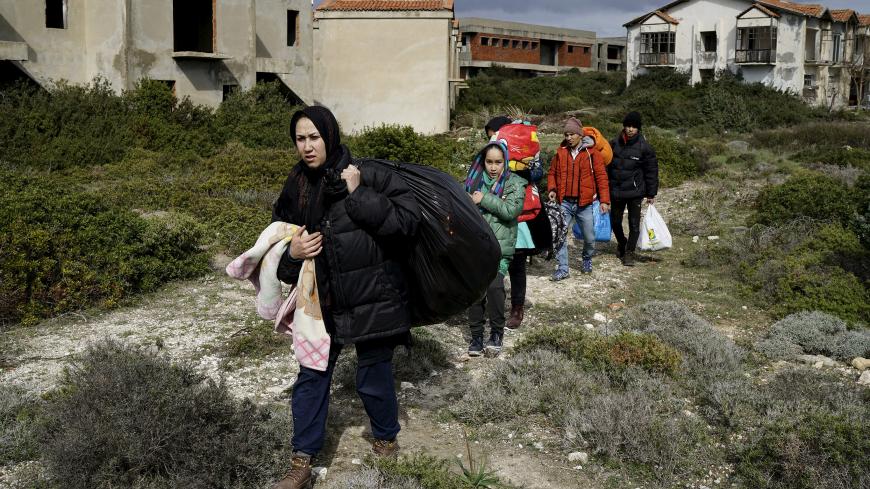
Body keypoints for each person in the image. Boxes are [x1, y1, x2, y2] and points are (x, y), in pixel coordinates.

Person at [270, 106, 420, 489]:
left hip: (373, 296)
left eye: (314, 137)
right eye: (300, 139)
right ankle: (302, 460)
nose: (307, 146)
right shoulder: (295, 186)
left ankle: (385, 439)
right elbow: (278, 252)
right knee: (311, 375)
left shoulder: (367, 174)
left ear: (330, 136)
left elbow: (405, 225)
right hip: (323, 304)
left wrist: (358, 195)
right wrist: (293, 255)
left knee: (373, 374)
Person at [464, 141, 526, 357]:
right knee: (476, 293)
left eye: (498, 162)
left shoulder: (514, 183)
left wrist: (484, 199)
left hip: (500, 247)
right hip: (476, 247)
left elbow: (511, 210)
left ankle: (497, 333)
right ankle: (477, 336)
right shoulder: (473, 181)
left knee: (494, 288)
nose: (493, 167)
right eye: (489, 162)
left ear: (505, 162)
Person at [484, 116, 543, 330]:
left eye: (494, 133)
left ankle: (517, 308)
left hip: (518, 215)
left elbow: (538, 172)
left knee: (517, 265)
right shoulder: (489, 154)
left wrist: (518, 170)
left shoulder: (525, 150)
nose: (491, 138)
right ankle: (490, 306)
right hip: (491, 215)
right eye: (489, 135)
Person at [546, 117, 610, 280]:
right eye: (566, 134)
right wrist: (552, 189)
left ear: (580, 134)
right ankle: (563, 268)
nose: (568, 138)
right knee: (560, 233)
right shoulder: (561, 153)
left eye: (572, 134)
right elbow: (552, 173)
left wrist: (604, 200)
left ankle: (587, 258)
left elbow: (602, 177)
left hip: (585, 204)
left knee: (589, 237)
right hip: (565, 202)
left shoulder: (592, 153)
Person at [608, 111, 658, 266]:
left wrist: (651, 193)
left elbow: (651, 171)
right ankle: (622, 243)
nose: (630, 129)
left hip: (635, 192)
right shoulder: (613, 144)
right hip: (616, 190)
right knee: (615, 222)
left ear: (638, 129)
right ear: (624, 126)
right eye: (628, 126)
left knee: (634, 225)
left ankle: (629, 253)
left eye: (634, 127)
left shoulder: (644, 147)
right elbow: (604, 165)